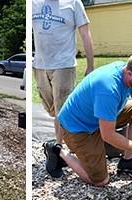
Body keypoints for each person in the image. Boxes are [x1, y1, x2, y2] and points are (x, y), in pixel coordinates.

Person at [43, 52, 132, 186]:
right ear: (130, 74)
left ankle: (128, 160)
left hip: (98, 117)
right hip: (78, 128)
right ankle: (57, 150)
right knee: (100, 181)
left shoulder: (127, 72)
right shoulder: (108, 89)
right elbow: (108, 135)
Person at [32, 0, 95, 145]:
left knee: (62, 110)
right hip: (40, 65)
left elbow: (85, 34)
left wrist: (90, 65)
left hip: (64, 65)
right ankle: (64, 142)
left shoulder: (73, 3)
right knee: (52, 110)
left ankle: (59, 148)